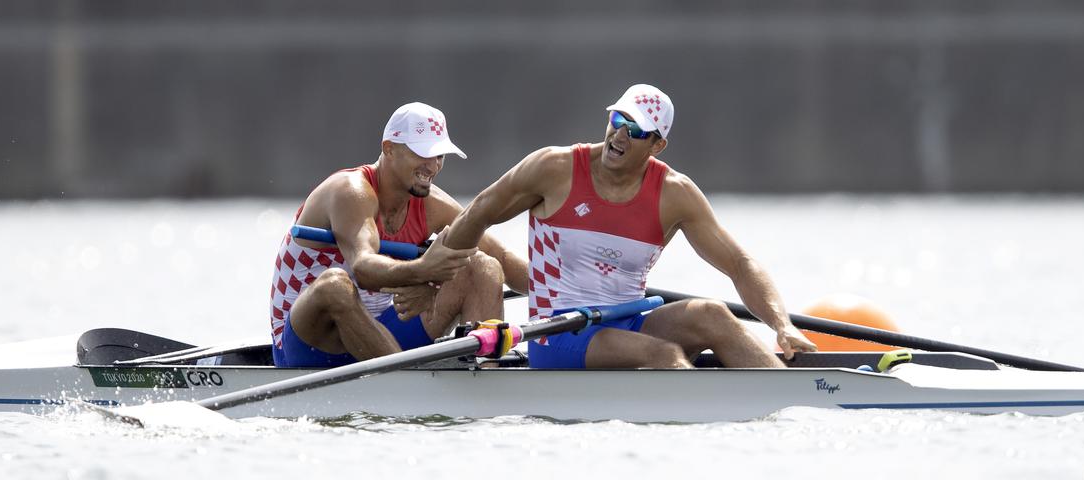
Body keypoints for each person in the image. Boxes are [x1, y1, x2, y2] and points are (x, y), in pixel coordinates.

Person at [437, 84, 816, 369]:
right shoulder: (554, 169)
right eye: (618, 120)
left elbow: (740, 263)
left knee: (712, 314)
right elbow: (477, 215)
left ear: (657, 145)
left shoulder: (674, 194)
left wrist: (781, 325)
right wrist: (429, 276)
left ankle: (785, 399)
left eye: (636, 131)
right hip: (557, 334)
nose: (620, 135)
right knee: (663, 354)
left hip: (628, 323)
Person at [269, 102, 527, 367]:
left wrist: (563, 287)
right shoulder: (349, 192)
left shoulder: (433, 205)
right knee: (335, 285)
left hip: (382, 332)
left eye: (439, 155)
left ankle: (483, 384)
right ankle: (405, 384)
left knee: (484, 267)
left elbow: (504, 258)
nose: (433, 166)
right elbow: (363, 268)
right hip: (309, 343)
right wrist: (425, 271)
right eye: (423, 153)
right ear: (388, 148)